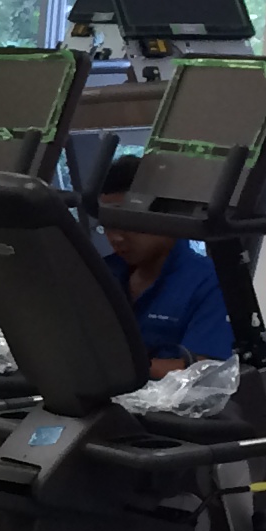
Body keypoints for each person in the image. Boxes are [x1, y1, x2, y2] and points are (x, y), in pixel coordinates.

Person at [97, 149, 233, 374]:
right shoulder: (100, 275)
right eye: (108, 225)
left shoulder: (210, 283)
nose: (116, 237)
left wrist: (109, 369)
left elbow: (204, 370)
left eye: (127, 222)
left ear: (166, 214)